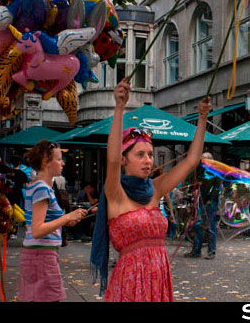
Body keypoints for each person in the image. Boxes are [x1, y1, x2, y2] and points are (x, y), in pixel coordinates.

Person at [90, 78, 211, 302]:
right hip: (131, 280)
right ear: (125, 160)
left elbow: (192, 160)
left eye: (150, 154)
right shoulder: (115, 192)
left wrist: (203, 119)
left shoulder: (155, 189)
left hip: (158, 277)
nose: (148, 160)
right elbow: (113, 160)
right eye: (139, 154)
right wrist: (119, 108)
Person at [17, 140, 87, 302]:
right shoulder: (41, 188)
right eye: (58, 158)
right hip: (41, 256)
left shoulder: (41, 186)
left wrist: (67, 220)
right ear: (45, 161)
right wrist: (66, 217)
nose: (63, 163)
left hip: (39, 254)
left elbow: (44, 222)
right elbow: (38, 229)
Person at [184, 152, 221, 259]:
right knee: (198, 226)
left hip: (210, 203)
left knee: (210, 228)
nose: (202, 161)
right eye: (202, 160)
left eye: (204, 160)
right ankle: (196, 251)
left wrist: (210, 200)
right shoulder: (200, 171)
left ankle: (211, 252)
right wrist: (194, 189)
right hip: (200, 202)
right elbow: (193, 183)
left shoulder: (215, 173)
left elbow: (217, 188)